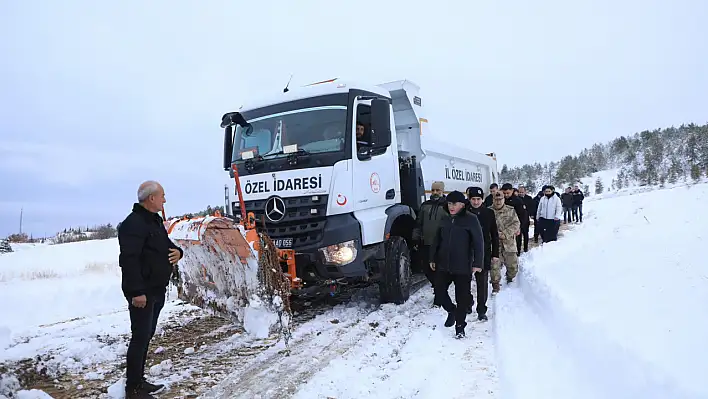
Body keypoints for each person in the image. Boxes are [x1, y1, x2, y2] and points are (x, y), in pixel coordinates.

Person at [119, 181, 183, 399]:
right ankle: (133, 389)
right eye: (162, 196)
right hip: (142, 293)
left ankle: (139, 381)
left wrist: (179, 252)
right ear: (152, 198)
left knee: (146, 336)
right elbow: (129, 261)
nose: (165, 200)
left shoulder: (154, 222)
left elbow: (167, 245)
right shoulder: (133, 224)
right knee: (140, 337)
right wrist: (137, 292)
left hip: (156, 290)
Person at [430, 191, 485, 338]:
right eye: (449, 204)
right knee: (439, 292)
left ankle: (460, 327)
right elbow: (437, 240)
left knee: (462, 298)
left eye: (454, 204)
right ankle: (451, 310)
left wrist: (477, 263)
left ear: (462, 204)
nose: (451, 207)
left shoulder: (471, 219)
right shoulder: (445, 218)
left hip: (462, 266)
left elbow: (479, 243)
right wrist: (432, 258)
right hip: (443, 264)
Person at [465, 186, 499, 321]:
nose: (476, 202)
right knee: (465, 280)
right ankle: (468, 303)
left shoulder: (488, 213)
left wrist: (495, 254)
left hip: (483, 252)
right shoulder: (464, 212)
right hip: (466, 252)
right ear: (469, 199)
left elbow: (494, 235)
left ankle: (481, 309)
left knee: (482, 282)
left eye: (478, 199)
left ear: (482, 199)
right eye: (473, 199)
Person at [412, 181, 448, 304]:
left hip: (441, 245)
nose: (435, 193)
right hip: (426, 243)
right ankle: (437, 287)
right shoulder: (425, 206)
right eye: (433, 190)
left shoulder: (447, 206)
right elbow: (418, 223)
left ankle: (439, 297)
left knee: (439, 271)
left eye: (438, 190)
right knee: (426, 269)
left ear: (443, 191)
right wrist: (415, 238)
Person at [489, 192, 520, 294]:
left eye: (500, 199)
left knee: (512, 265)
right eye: (496, 200)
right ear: (493, 199)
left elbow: (516, 224)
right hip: (494, 244)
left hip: (509, 243)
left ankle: (510, 278)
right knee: (494, 266)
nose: (498, 202)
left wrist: (505, 234)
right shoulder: (488, 211)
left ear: (504, 199)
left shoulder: (510, 210)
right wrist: (495, 234)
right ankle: (495, 284)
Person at [500, 183, 528, 256]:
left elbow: (522, 215)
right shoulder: (500, 200)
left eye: (508, 193)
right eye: (504, 193)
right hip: (503, 226)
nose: (506, 195)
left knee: (516, 242)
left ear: (512, 191)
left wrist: (519, 227)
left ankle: (517, 254)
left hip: (515, 226)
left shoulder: (518, 201)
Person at [517, 186, 536, 253]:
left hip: (525, 218)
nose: (521, 193)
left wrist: (530, 213)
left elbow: (532, 207)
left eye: (522, 192)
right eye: (519, 192)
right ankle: (518, 250)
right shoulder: (517, 198)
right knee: (518, 235)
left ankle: (525, 248)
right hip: (518, 219)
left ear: (525, 192)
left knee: (525, 234)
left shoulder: (529, 198)